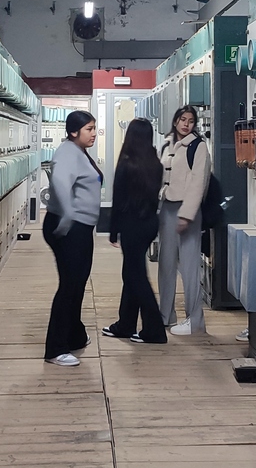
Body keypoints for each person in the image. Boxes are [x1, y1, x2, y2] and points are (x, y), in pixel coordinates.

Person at [42, 110, 103, 367]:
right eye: (89, 129)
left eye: (94, 128)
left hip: (79, 226)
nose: (94, 133)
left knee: (77, 283)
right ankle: (55, 349)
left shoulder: (79, 151)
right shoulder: (68, 152)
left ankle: (75, 335)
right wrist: (67, 214)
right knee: (70, 286)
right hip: (70, 227)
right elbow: (59, 182)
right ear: (73, 132)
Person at [102, 119, 167, 344]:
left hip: (131, 224)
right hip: (149, 223)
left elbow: (119, 200)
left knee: (136, 277)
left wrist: (113, 231)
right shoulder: (155, 164)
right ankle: (126, 325)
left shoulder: (126, 164)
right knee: (131, 273)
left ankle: (154, 330)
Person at [158, 106, 211, 335]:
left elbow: (199, 182)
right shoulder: (166, 144)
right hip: (166, 209)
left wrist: (187, 214)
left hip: (187, 211)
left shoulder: (198, 147)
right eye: (182, 119)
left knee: (189, 267)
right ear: (175, 121)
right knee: (165, 264)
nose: (186, 124)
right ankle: (165, 315)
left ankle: (194, 320)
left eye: (190, 121)